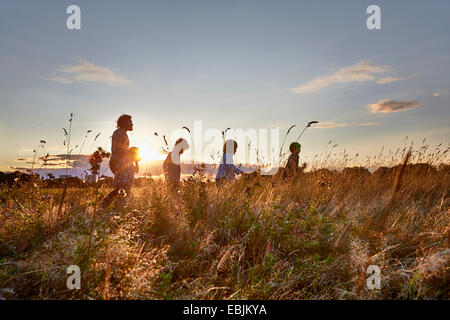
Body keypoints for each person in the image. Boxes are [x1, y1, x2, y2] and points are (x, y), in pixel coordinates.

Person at [101, 114, 137, 209]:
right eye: (130, 122)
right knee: (122, 187)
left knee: (123, 187)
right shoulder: (119, 133)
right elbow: (118, 150)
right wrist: (131, 152)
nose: (132, 124)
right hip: (119, 163)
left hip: (122, 162)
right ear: (124, 122)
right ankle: (108, 205)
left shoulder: (122, 133)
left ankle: (111, 206)